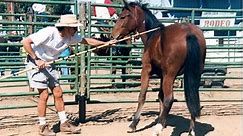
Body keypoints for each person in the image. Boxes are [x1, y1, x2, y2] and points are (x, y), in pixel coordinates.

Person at [21, 14, 116, 136]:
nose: (76, 30)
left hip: (50, 64)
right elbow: (26, 42)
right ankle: (42, 126)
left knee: (58, 93)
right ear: (66, 28)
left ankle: (64, 123)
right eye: (74, 27)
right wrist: (37, 59)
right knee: (44, 95)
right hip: (35, 63)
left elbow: (86, 41)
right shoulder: (49, 32)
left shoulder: (70, 37)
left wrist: (105, 43)